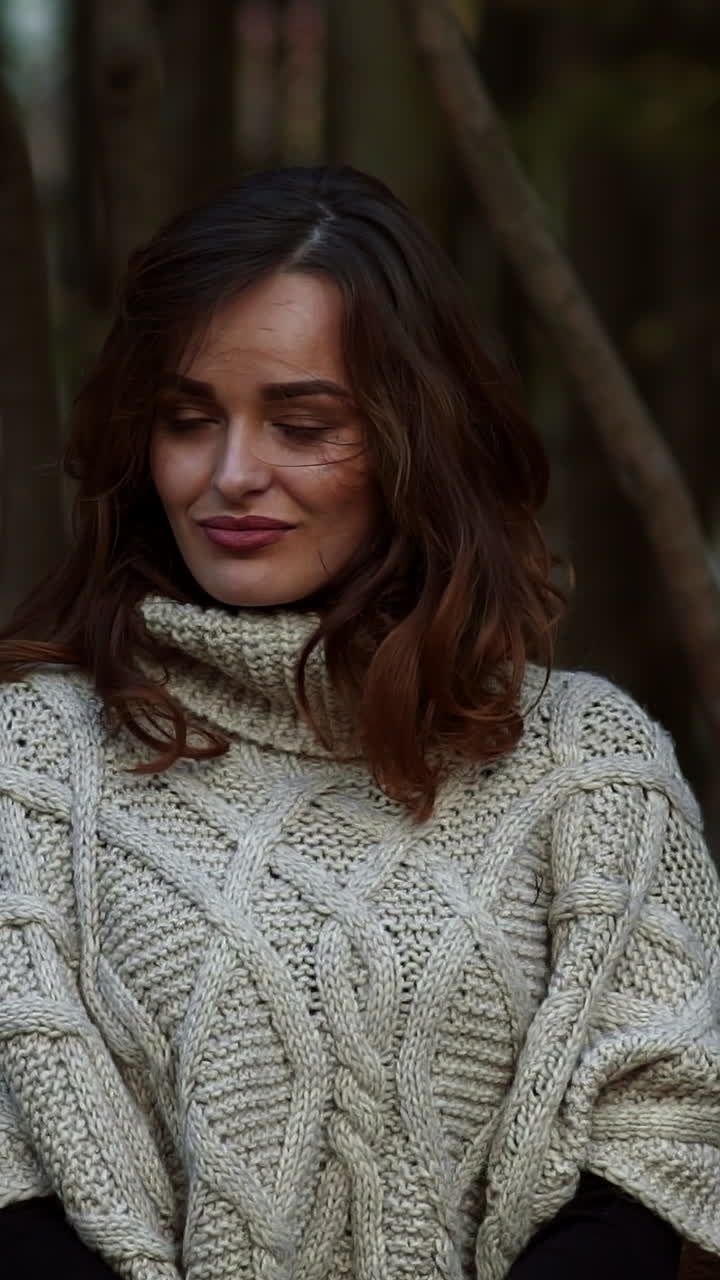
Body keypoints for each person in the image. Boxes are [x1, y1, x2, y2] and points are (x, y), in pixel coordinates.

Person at [0, 165, 717, 1280]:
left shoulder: (590, 763)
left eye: (302, 422)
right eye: (188, 421)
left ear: (412, 437)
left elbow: (654, 1130)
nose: (233, 475)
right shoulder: (37, 756)